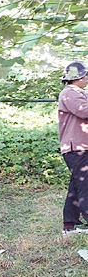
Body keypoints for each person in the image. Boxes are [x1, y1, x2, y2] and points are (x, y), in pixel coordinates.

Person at [58, 61, 88, 235]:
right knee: (86, 185)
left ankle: (70, 224)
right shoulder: (69, 93)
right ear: (77, 77)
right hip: (77, 148)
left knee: (77, 186)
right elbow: (84, 111)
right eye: (85, 75)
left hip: (80, 147)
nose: (87, 78)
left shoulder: (79, 93)